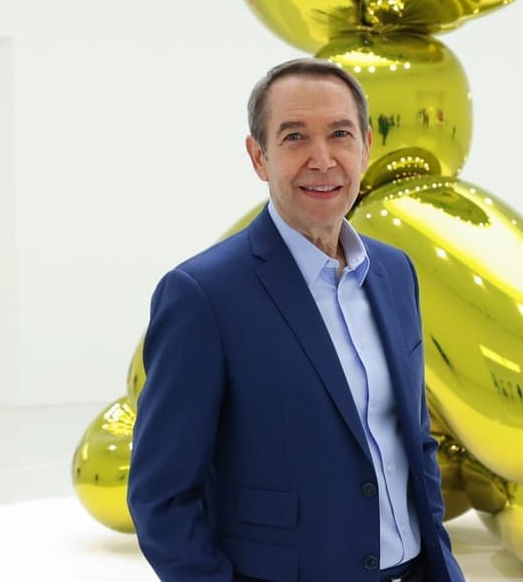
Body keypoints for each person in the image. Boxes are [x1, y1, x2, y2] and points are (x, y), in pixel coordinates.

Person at [128, 58, 466, 582]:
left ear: (366, 147)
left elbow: (413, 442)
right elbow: (161, 497)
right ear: (258, 157)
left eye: (340, 134)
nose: (322, 159)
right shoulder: (203, 296)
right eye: (294, 137)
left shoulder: (395, 273)